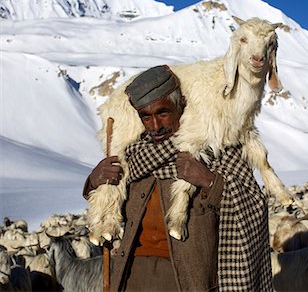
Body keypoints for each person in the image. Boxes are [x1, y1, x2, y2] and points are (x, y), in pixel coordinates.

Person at [83, 65, 273, 292]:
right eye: (146, 117)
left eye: (163, 113)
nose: (155, 126)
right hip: (132, 275)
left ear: (181, 105)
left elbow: (255, 205)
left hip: (188, 279)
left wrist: (210, 181)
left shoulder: (217, 148)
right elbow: (109, 201)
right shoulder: (132, 156)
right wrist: (95, 181)